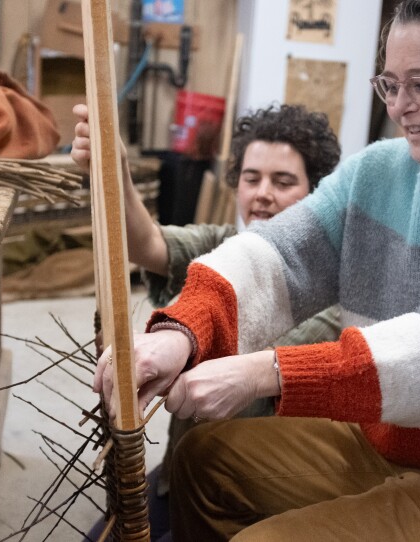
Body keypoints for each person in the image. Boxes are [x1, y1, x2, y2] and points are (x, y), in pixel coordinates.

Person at [95, 0, 420, 539]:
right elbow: (276, 254)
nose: (400, 107)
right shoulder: (378, 170)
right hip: (396, 440)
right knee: (204, 461)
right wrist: (182, 331)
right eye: (389, 84)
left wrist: (264, 372)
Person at [72, 102, 342, 540]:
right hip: (182, 470)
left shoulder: (333, 291)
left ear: (317, 194)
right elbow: (149, 244)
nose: (262, 194)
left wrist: (178, 335)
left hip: (253, 498)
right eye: (251, 179)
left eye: (284, 181)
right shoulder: (226, 245)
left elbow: (249, 358)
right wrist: (115, 172)